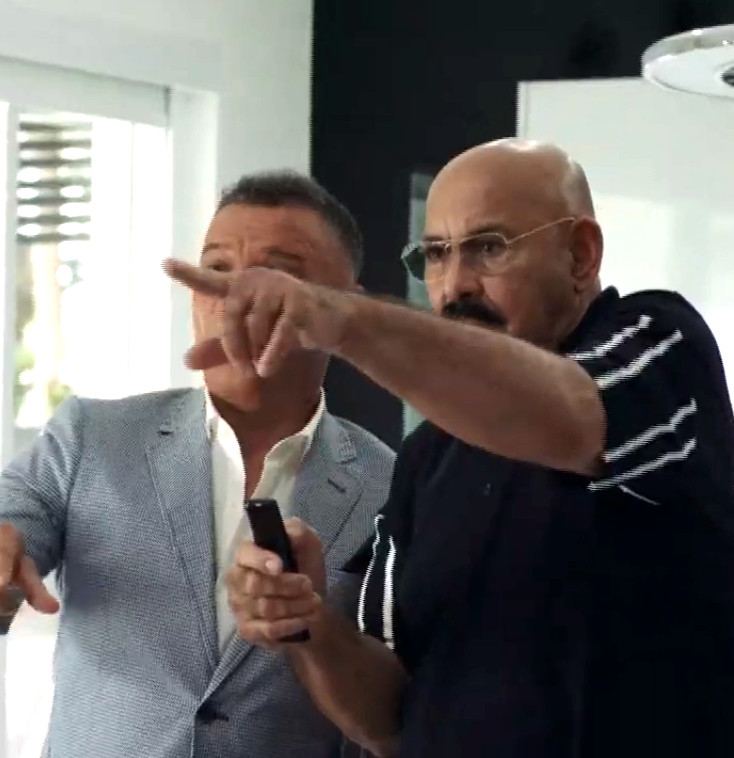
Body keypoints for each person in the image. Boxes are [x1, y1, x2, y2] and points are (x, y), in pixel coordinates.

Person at [166, 139, 734, 758]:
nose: (456, 284)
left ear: (580, 254)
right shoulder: (427, 456)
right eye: (436, 254)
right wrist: (309, 624)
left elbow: (571, 415)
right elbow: (390, 720)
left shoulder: (660, 346)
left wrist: (346, 319)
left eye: (488, 248)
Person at [0, 171, 395, 758]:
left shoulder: (390, 486)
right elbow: (16, 513)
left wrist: (312, 626)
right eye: (215, 269)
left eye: (277, 275)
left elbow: (399, 707)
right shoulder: (91, 437)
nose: (234, 295)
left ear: (347, 308)